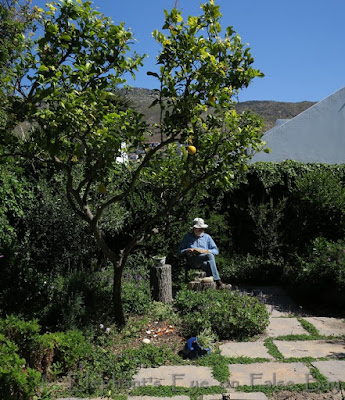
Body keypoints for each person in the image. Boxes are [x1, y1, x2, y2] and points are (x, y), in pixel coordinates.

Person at [178, 217, 231, 289]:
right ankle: (219, 282)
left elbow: (216, 250)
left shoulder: (207, 237)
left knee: (207, 263)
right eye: (199, 228)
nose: (201, 230)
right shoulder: (187, 237)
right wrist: (187, 250)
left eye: (202, 228)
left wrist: (206, 251)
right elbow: (179, 252)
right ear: (194, 228)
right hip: (192, 260)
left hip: (204, 260)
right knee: (209, 256)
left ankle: (211, 288)